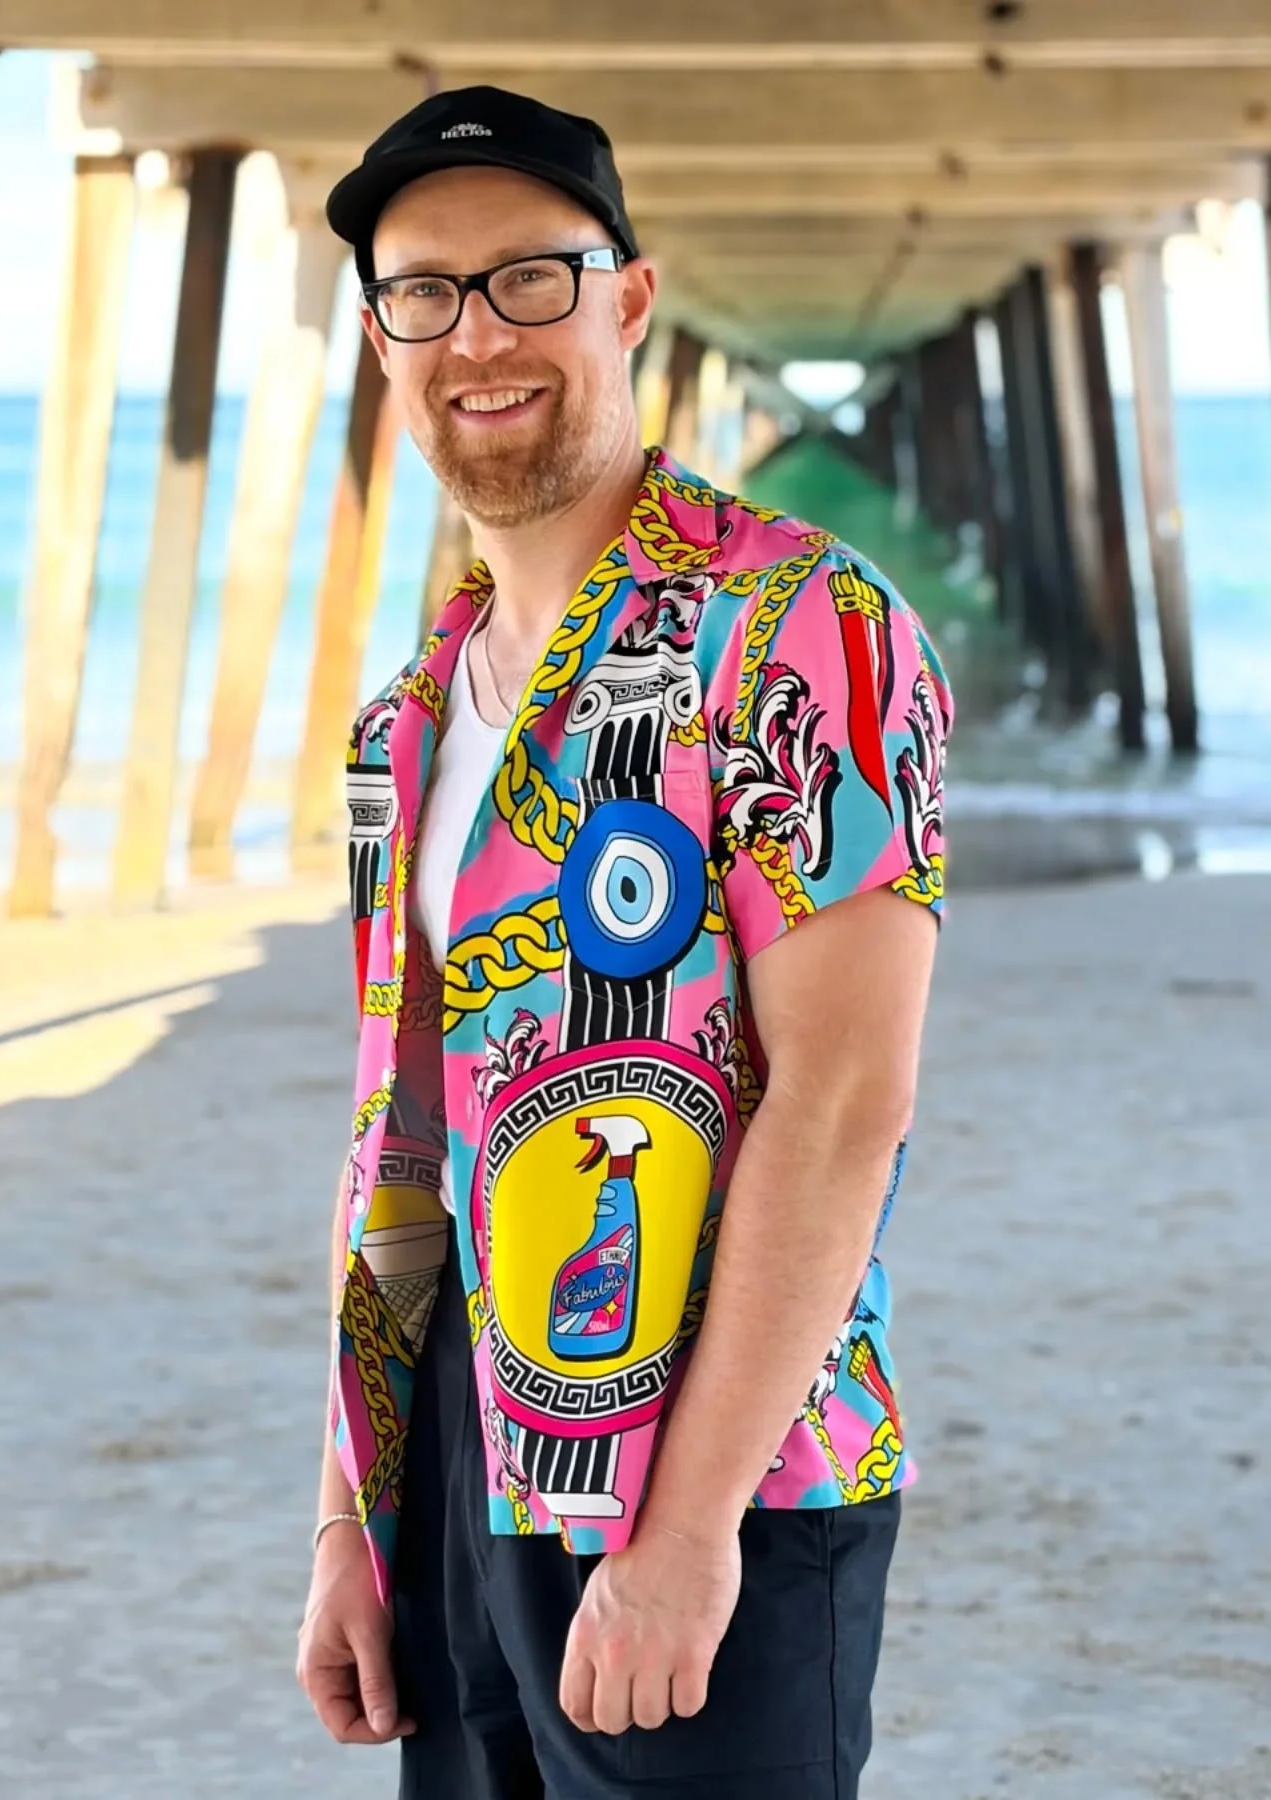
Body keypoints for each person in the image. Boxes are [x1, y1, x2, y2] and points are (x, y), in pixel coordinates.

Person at [296, 83, 952, 1800]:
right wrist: (351, 1515)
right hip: (461, 1458)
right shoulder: (399, 726)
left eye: (531, 278)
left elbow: (843, 1103)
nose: (475, 335)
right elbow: (400, 1140)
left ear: (631, 301)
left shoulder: (797, 627)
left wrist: (685, 1533)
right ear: (380, 339)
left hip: (728, 1472)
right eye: (422, 292)